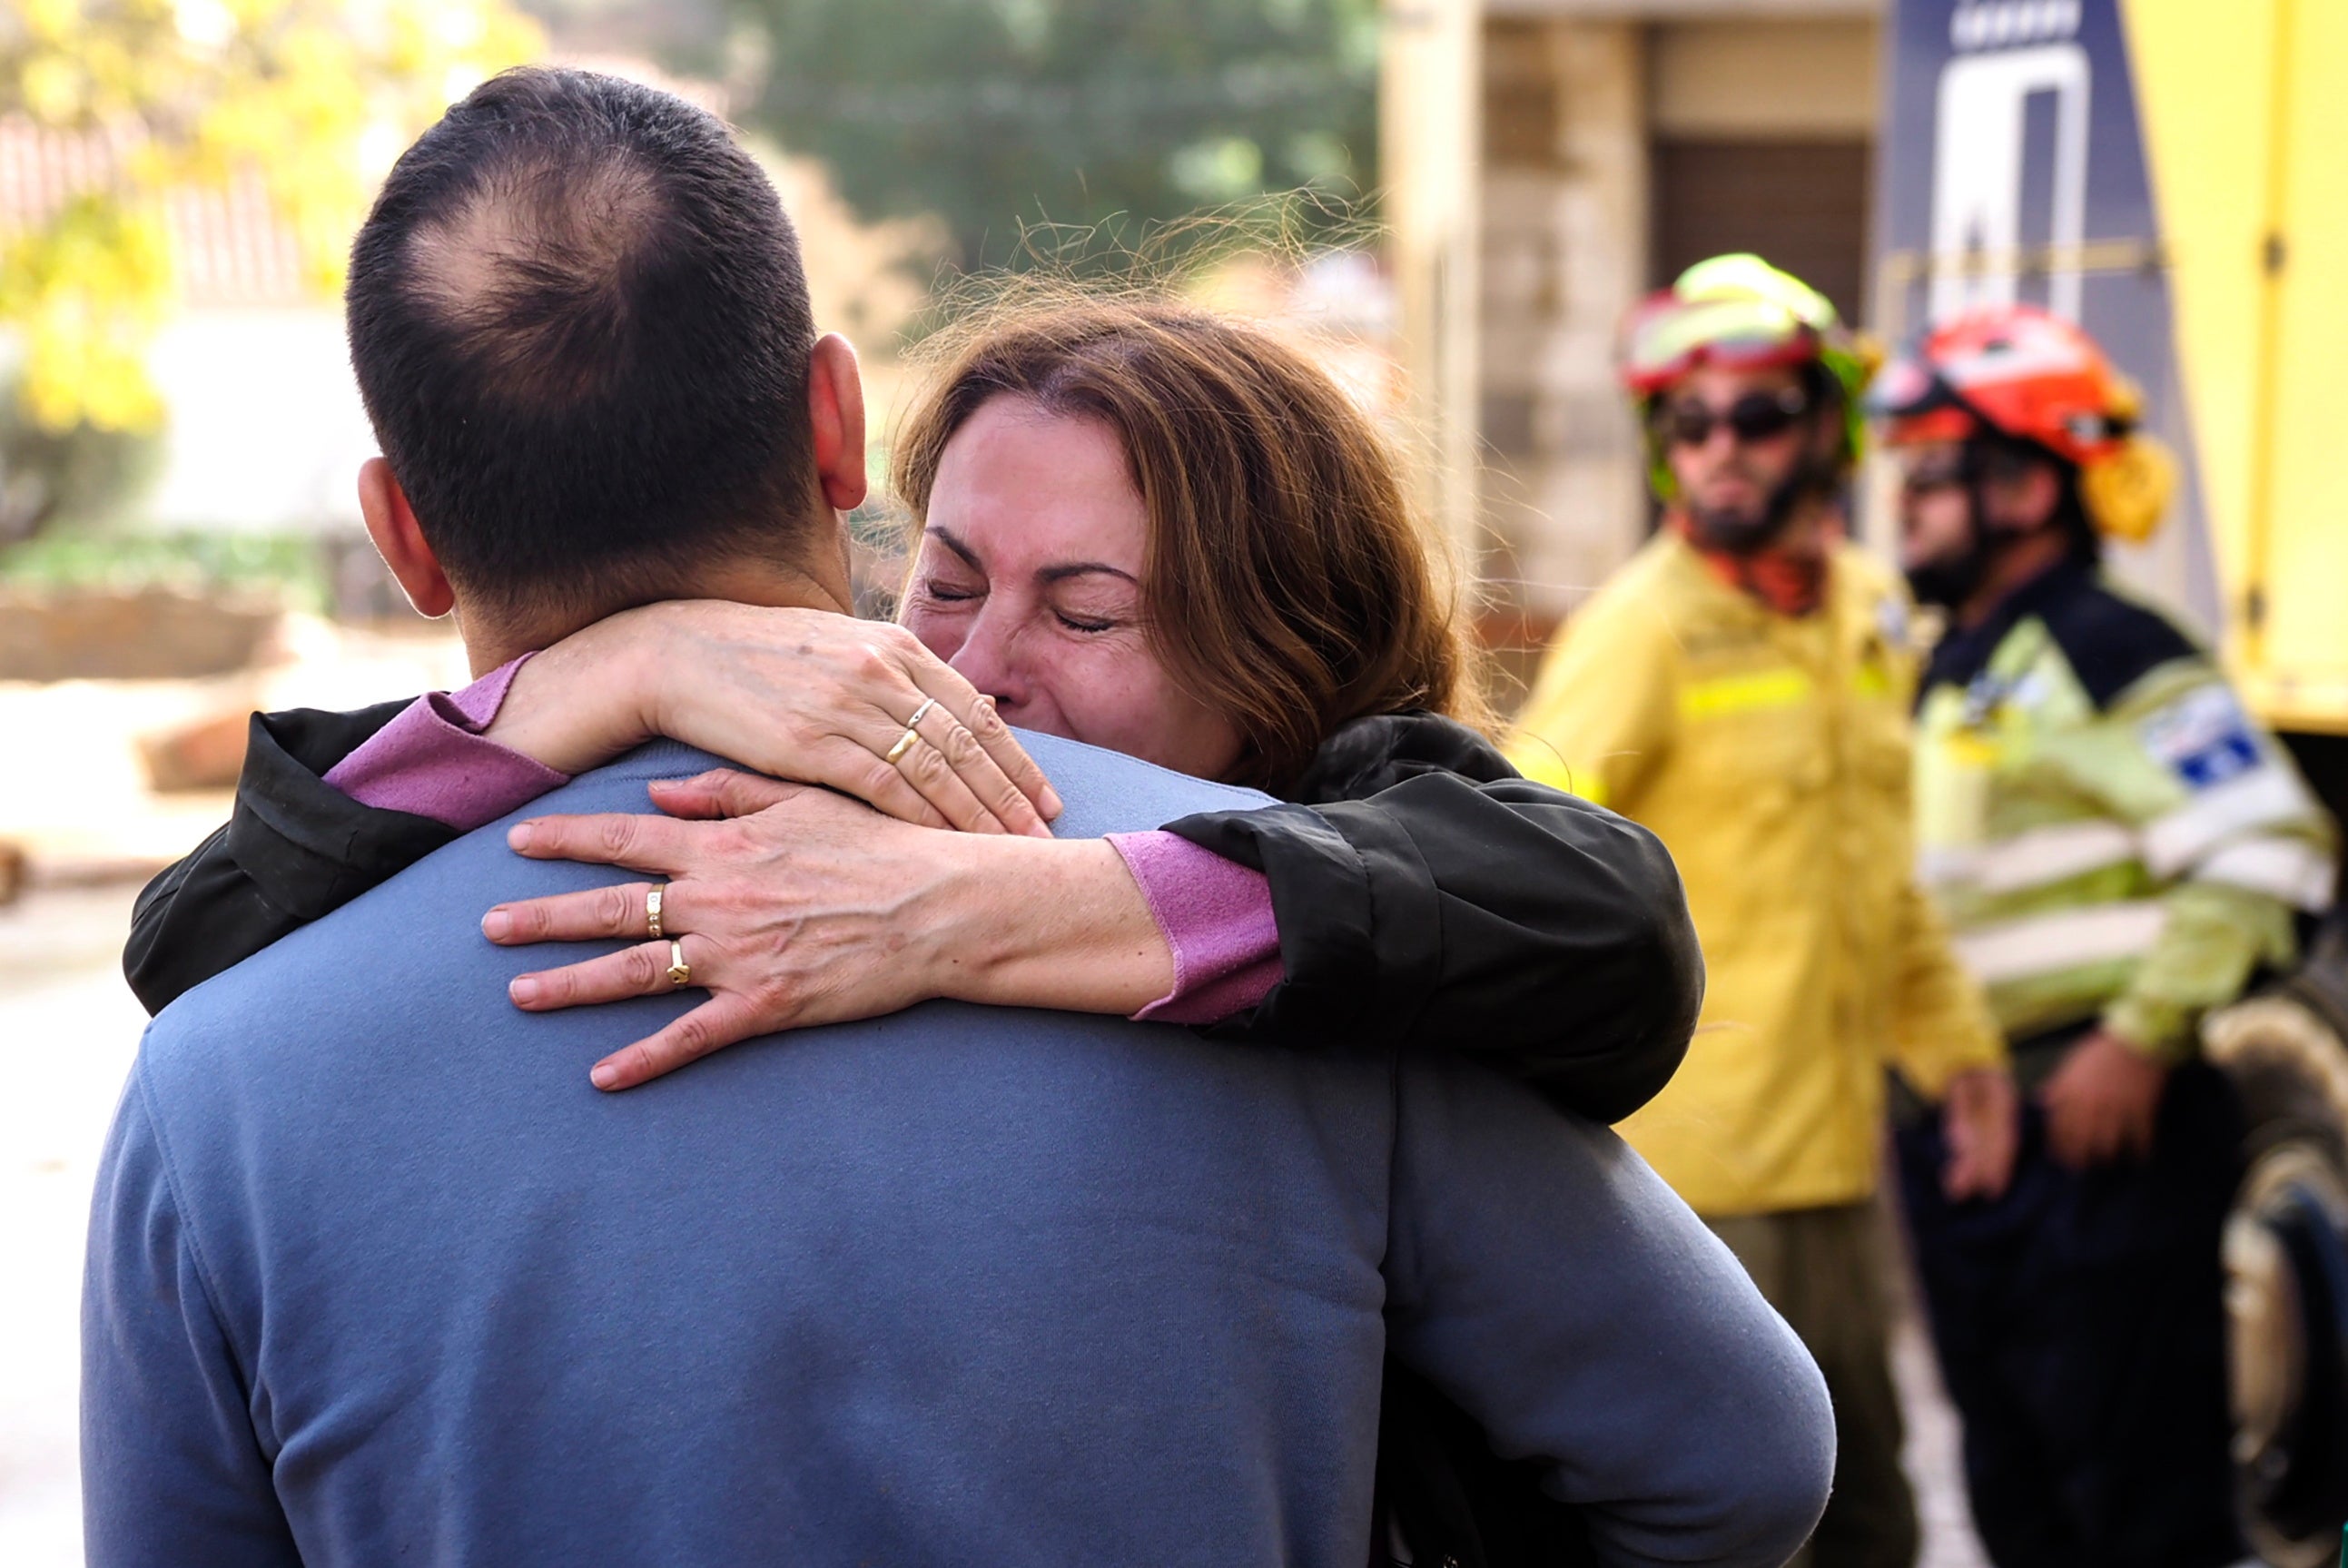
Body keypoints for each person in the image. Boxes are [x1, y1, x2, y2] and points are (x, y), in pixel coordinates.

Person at [84, 69, 1833, 1567]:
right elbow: (1742, 1460)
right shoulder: (1303, 985)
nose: (985, 673)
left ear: (401, 534)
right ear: (838, 425)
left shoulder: (221, 1076)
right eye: (958, 582)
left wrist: (945, 900)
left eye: (1086, 613)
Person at [1504, 253, 2020, 1568]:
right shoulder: (1642, 632)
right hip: (1685, 1184)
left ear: (1831, 430)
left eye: (1759, 416)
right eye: (1691, 421)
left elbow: (1879, 871)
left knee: (1869, 1524)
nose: (1721, 449)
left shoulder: (1862, 614)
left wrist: (1955, 1054)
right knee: (1723, 1528)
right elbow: (1514, 859)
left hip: (1835, 1175)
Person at [1874, 304, 2336, 1568]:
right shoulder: (1960, 663)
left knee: (2136, 1515)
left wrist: (2136, 1041)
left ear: (2024, 486)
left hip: (2100, 1142)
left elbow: (2270, 845)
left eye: (1929, 468)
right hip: (1976, 1141)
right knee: (2020, 1504)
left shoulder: (2109, 646)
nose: (1900, 501)